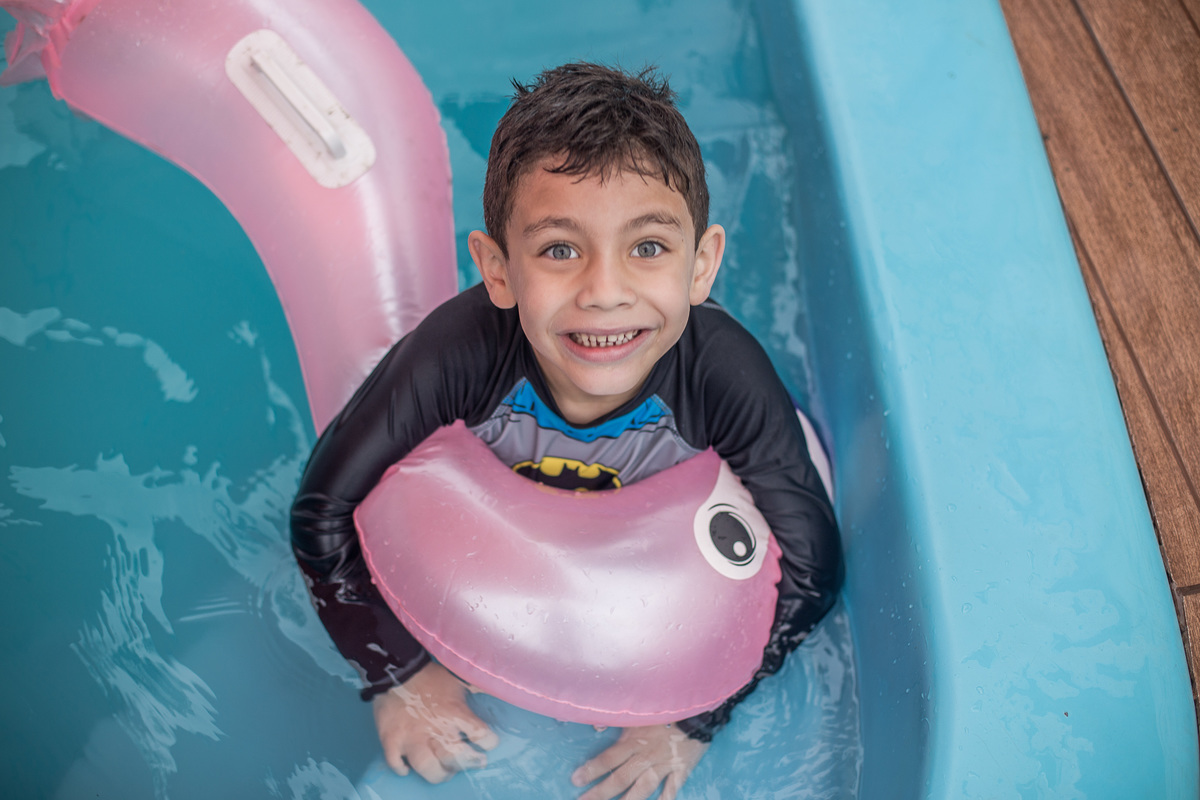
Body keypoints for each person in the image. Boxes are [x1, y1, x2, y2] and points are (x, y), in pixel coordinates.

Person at [290, 61, 842, 800]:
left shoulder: (721, 377)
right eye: (559, 249)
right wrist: (396, 673)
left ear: (702, 264)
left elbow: (813, 568)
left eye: (648, 247)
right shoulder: (459, 356)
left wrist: (694, 719)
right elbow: (322, 510)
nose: (604, 292)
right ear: (497, 270)